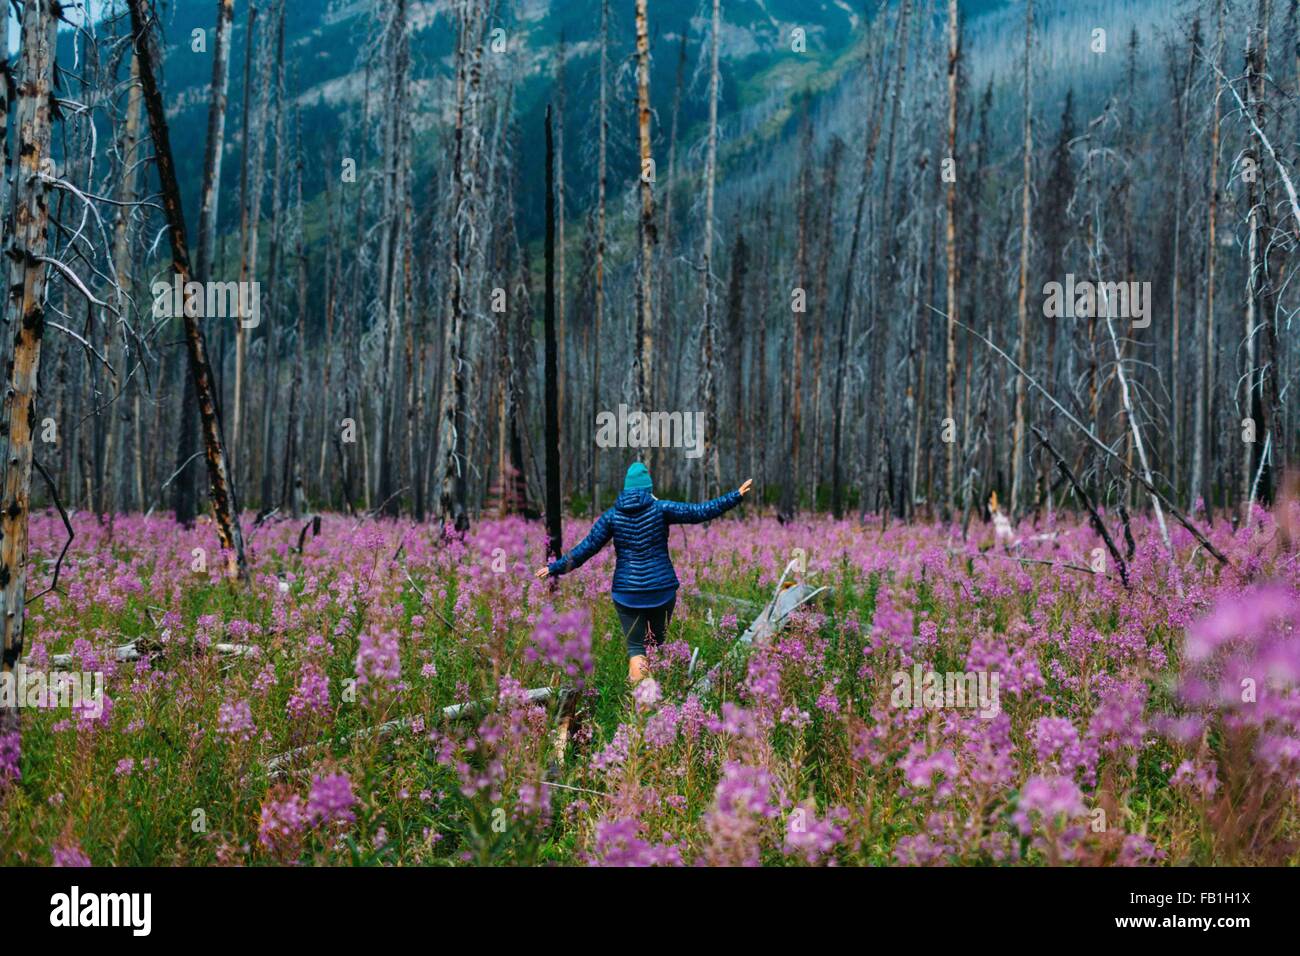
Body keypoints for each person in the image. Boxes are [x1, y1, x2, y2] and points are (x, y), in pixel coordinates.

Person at [535, 463, 753, 682]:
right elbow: (699, 512)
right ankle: (658, 700)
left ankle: (641, 705)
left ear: (626, 489)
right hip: (662, 590)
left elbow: (586, 548)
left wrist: (554, 568)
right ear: (648, 488)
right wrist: (734, 496)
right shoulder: (662, 508)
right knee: (657, 646)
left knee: (637, 648)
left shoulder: (612, 516)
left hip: (627, 593)